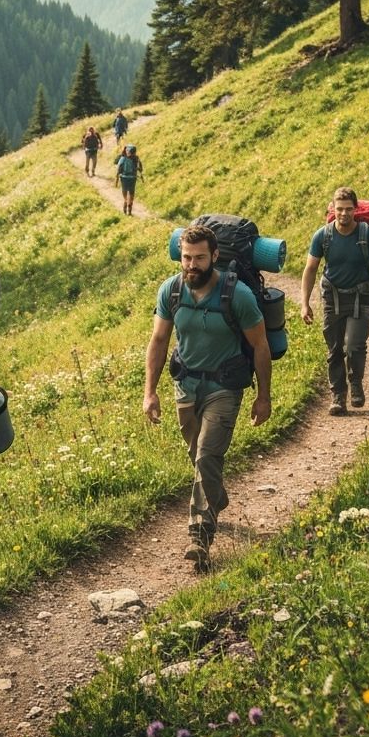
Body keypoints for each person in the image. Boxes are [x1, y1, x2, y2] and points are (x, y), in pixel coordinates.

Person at [143, 224, 272, 570]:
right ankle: (215, 495)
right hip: (186, 385)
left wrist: (264, 396)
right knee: (197, 454)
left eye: (199, 258)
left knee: (206, 454)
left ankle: (200, 536)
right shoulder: (171, 291)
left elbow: (260, 345)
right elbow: (158, 341)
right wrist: (150, 392)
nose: (192, 265)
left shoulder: (238, 295)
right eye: (186, 257)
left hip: (224, 388)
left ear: (214, 256)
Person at [300, 187, 369, 415]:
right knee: (335, 349)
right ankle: (338, 395)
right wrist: (305, 303)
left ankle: (356, 383)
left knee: (354, 346)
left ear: (356, 209)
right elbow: (310, 269)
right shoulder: (323, 236)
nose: (344, 214)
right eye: (339, 209)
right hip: (333, 299)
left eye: (349, 209)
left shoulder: (368, 235)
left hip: (361, 298)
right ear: (333, 209)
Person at [115, 143, 143, 215]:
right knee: (130, 193)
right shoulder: (135, 158)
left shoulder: (124, 158)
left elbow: (118, 168)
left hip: (126, 178)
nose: (128, 152)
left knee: (127, 193)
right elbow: (140, 168)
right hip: (130, 178)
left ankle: (127, 204)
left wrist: (117, 179)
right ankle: (128, 206)